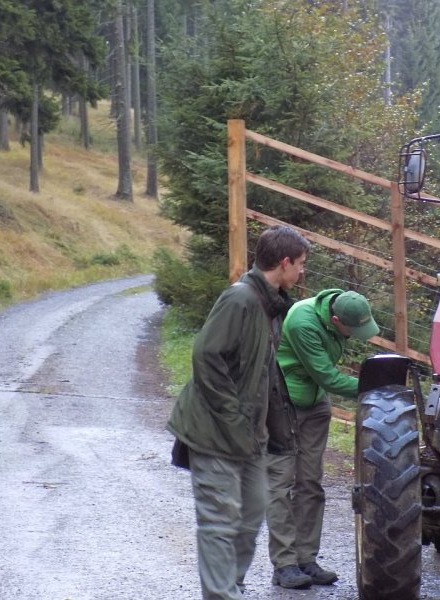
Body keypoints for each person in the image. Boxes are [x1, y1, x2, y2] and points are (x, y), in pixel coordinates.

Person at [167, 225, 310, 600]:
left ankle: (232, 586)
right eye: (300, 264)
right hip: (215, 432)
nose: (302, 272)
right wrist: (232, 419)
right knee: (219, 520)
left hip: (249, 436)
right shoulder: (240, 299)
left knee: (251, 513)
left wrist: (271, 430)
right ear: (284, 263)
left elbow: (264, 374)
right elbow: (206, 356)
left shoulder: (270, 306)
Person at [266, 288, 379, 589]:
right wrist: (377, 385)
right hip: (285, 404)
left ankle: (306, 559)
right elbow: (326, 376)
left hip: (315, 404)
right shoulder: (303, 322)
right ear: (336, 319)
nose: (354, 336)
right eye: (351, 330)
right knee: (281, 483)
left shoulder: (345, 307)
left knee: (310, 483)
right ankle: (284, 565)